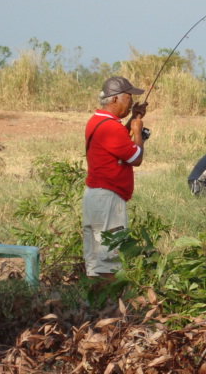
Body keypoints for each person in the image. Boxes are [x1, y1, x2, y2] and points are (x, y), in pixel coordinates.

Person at [82, 76, 148, 282]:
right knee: (110, 261)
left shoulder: (97, 121)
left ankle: (94, 310)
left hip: (94, 196)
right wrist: (137, 132)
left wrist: (132, 119)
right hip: (108, 199)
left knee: (94, 262)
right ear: (114, 100)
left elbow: (117, 140)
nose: (131, 104)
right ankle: (111, 309)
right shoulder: (111, 128)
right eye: (128, 99)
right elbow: (136, 158)